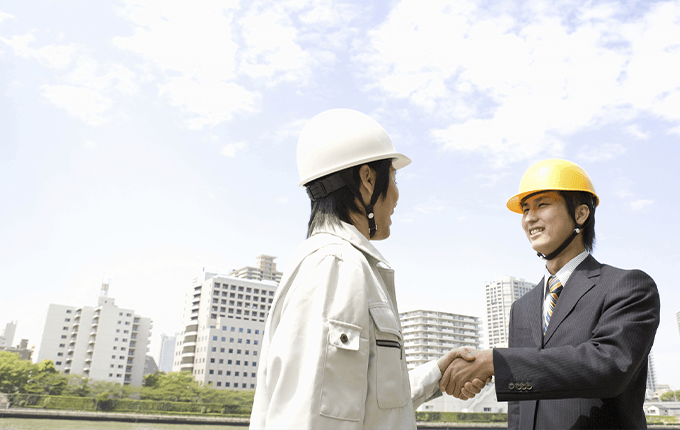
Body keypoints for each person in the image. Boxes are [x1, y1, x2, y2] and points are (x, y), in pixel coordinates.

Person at [250, 109, 485, 430]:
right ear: (368, 178)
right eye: (394, 178)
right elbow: (314, 418)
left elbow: (364, 399)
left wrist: (437, 372)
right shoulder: (336, 266)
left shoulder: (334, 263)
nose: (397, 196)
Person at [439, 158, 661, 429]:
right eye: (525, 209)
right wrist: (489, 370)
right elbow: (520, 403)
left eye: (542, 204)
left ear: (580, 214)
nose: (530, 218)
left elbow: (609, 367)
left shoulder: (628, 286)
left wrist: (496, 362)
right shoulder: (522, 306)